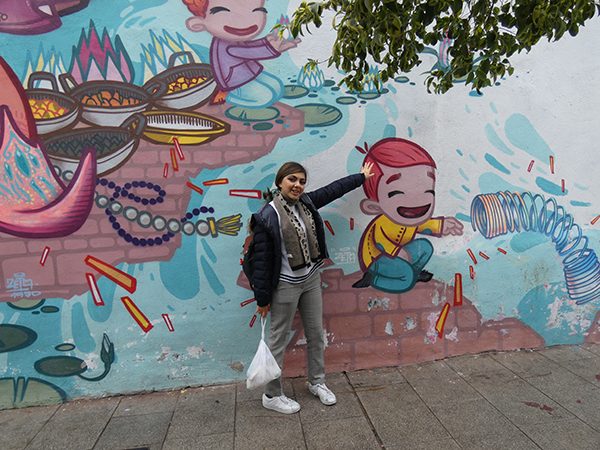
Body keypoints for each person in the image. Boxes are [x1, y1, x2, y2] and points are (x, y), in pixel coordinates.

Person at [250, 161, 374, 414]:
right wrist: (262, 299)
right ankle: (272, 395)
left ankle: (317, 382)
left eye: (302, 181)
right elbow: (261, 262)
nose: (297, 185)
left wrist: (361, 177)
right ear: (280, 182)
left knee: (316, 334)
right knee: (277, 339)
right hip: (285, 285)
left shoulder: (306, 203)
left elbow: (333, 190)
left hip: (310, 280)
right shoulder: (268, 216)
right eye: (292, 179)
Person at [353, 137, 464, 293]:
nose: (417, 198)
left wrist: (441, 225)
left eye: (428, 191)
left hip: (400, 254)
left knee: (425, 247)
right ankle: (373, 278)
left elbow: (422, 225)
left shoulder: (408, 219)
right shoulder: (383, 223)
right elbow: (381, 242)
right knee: (405, 279)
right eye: (397, 193)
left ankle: (413, 273)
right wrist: (398, 252)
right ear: (373, 207)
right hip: (377, 259)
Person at [183, 0, 300, 108]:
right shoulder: (226, 45)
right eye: (224, 12)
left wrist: (267, 42)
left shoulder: (234, 39)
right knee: (265, 98)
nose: (245, 20)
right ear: (198, 24)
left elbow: (248, 46)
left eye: (256, 11)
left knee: (277, 87)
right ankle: (227, 96)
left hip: (249, 73)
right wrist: (272, 48)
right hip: (235, 82)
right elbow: (247, 52)